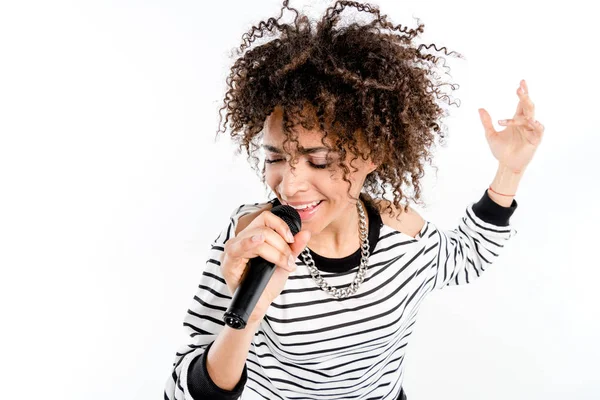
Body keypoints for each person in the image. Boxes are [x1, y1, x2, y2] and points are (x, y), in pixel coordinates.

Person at [164, 1, 544, 399]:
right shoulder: (252, 239)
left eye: (320, 160)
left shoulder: (402, 231)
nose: (290, 186)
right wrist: (248, 318)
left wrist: (510, 171)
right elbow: (182, 388)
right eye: (275, 157)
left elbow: (467, 256)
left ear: (374, 153)